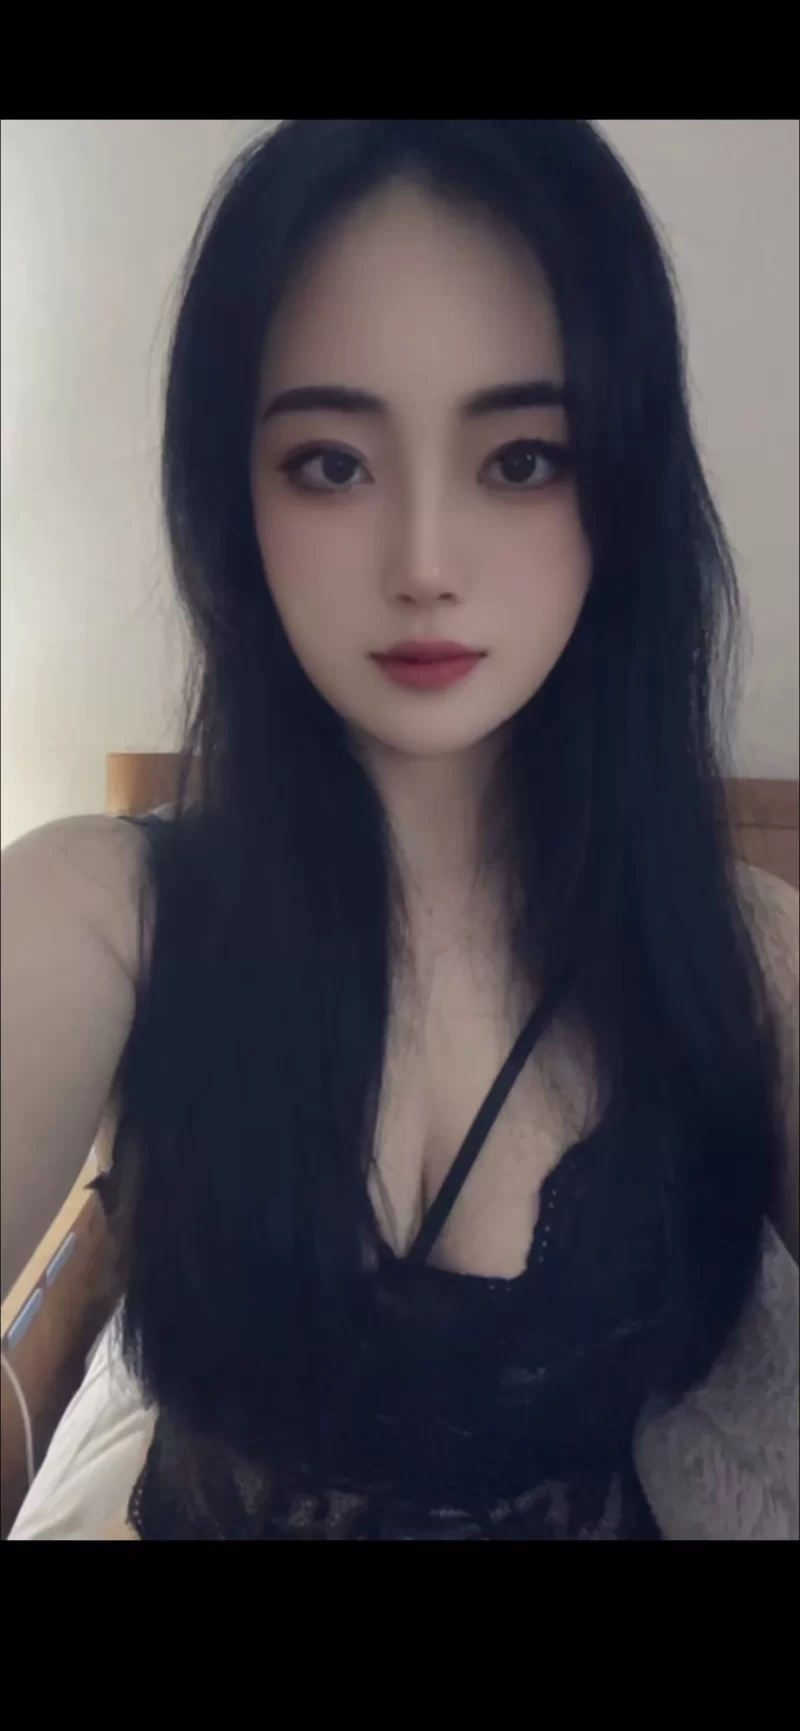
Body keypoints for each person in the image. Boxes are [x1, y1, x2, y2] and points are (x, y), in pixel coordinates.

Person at [2, 119, 797, 1541]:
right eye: (329, 464)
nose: (425, 563)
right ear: (233, 493)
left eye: (523, 458)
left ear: (621, 483)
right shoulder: (101, 910)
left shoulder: (747, 954)